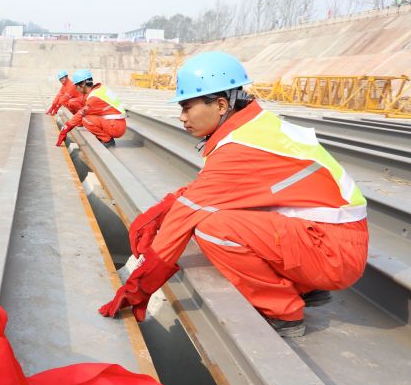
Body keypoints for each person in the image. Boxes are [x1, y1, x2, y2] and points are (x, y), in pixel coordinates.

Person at [98, 52, 369, 337]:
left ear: (221, 104)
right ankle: (305, 287)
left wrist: (137, 289)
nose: (182, 117)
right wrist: (163, 209)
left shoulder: (240, 149)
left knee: (212, 227)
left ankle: (282, 311)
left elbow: (187, 216)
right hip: (332, 239)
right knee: (221, 211)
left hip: (333, 252)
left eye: (188, 107)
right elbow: (212, 192)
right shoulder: (253, 128)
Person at [54, 69, 127, 147]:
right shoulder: (98, 89)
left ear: (82, 84)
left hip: (116, 127)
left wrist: (65, 129)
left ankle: (107, 140)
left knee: (85, 119)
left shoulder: (94, 98)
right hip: (117, 122)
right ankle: (105, 137)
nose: (76, 89)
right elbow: (83, 100)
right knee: (83, 114)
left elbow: (80, 114)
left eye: (76, 86)